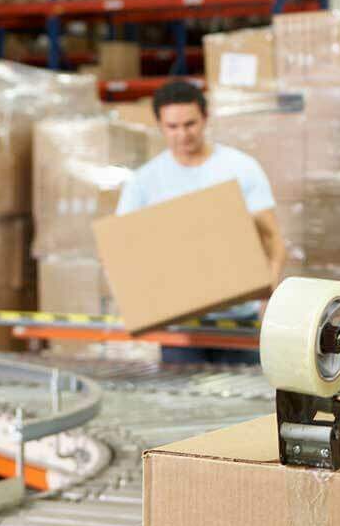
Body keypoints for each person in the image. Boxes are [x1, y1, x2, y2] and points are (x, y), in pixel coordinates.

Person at [116, 80, 285, 365]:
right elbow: (124, 250)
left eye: (190, 124)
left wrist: (268, 293)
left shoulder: (240, 168)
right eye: (172, 127)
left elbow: (273, 240)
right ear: (159, 124)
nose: (182, 134)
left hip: (239, 319)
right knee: (185, 403)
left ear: (205, 119)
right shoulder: (144, 182)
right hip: (179, 322)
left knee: (246, 404)